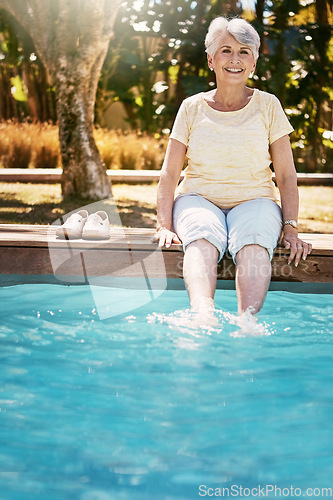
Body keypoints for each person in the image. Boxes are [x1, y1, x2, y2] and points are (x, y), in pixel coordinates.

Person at [153, 16, 312, 315]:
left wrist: (291, 228)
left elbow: (287, 175)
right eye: (226, 50)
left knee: (253, 244)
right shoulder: (191, 107)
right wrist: (164, 224)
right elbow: (170, 172)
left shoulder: (268, 105)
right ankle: (202, 316)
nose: (235, 59)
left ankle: (247, 324)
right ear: (211, 59)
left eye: (244, 51)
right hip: (197, 199)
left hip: (256, 200)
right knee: (201, 239)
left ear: (253, 62)